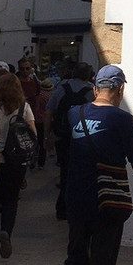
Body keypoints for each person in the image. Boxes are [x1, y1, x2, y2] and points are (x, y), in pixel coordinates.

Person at [48, 64, 133, 265]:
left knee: (74, 262)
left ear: (95, 88)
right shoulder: (123, 120)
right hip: (107, 205)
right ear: (120, 90)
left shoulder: (73, 114)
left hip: (75, 200)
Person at [0, 74, 37, 258]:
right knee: (11, 201)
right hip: (16, 162)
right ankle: (6, 230)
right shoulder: (24, 108)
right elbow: (32, 134)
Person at [48, 62, 96, 220]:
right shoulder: (92, 91)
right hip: (83, 139)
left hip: (62, 138)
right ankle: (77, 208)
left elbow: (49, 112)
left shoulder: (61, 88)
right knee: (83, 173)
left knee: (65, 172)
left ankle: (62, 208)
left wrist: (47, 136)